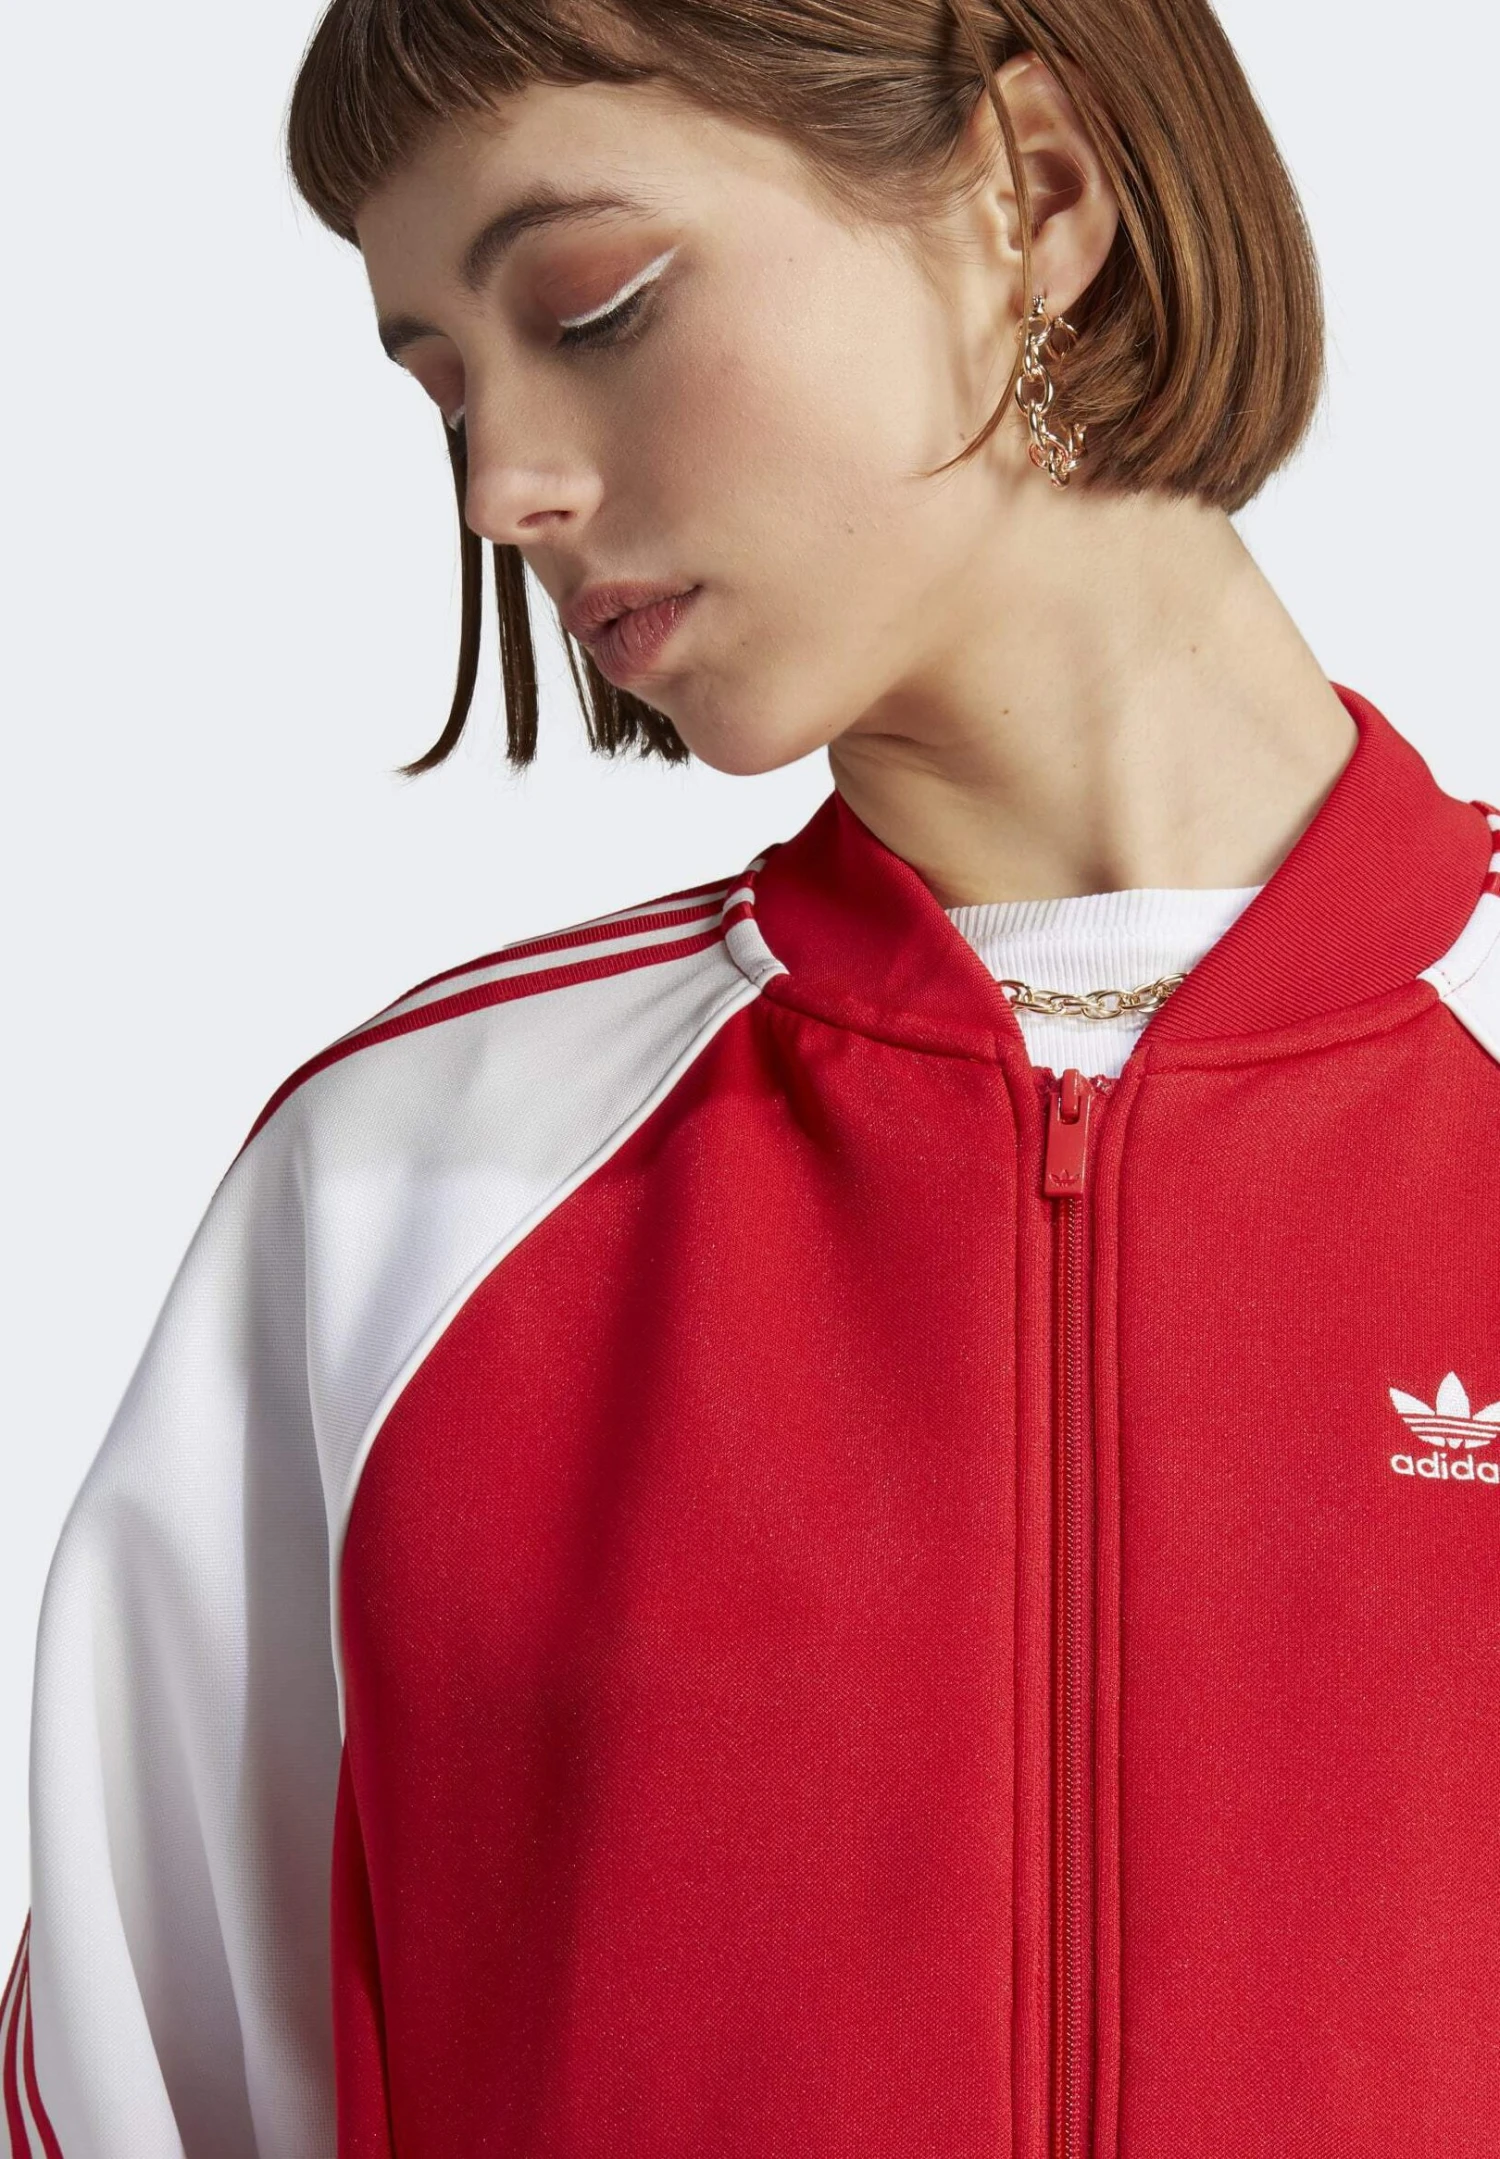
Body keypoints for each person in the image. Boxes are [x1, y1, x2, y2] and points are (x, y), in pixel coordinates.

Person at [5, 0, 1498, 2152]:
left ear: (1035, 193)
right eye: (445, 391)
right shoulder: (407, 1191)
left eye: (590, 307)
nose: (504, 486)